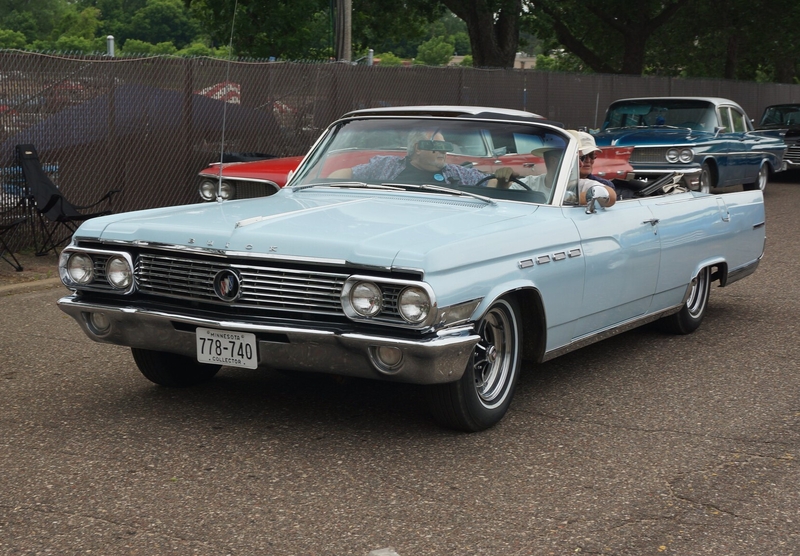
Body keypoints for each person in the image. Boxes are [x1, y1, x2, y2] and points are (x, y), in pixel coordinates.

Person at [327, 128, 508, 187]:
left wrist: (504, 179)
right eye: (437, 146)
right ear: (418, 148)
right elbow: (346, 174)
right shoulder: (385, 165)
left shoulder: (457, 173)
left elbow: (490, 184)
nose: (443, 152)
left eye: (446, 147)